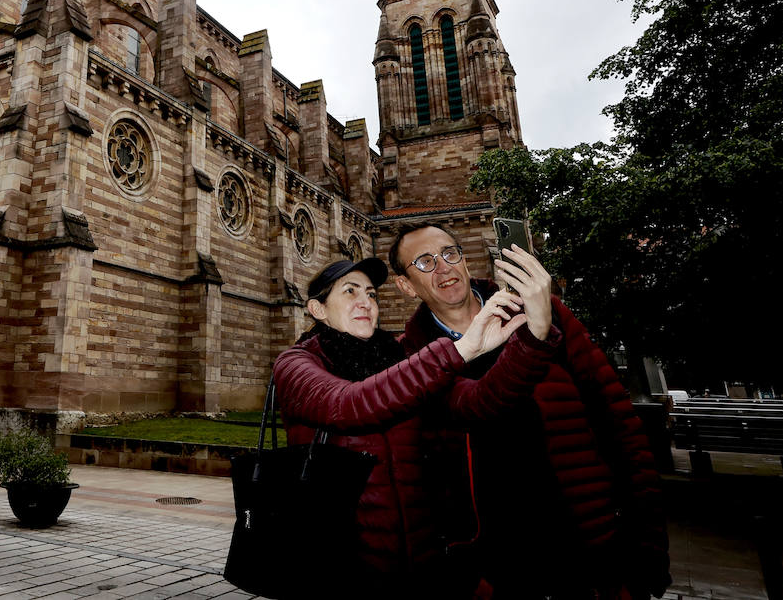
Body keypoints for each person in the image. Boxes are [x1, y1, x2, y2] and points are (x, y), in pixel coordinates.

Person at [391, 222, 670, 599]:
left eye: (449, 253)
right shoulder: (412, 358)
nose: (443, 267)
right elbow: (469, 413)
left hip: (588, 548)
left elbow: (619, 423)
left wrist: (649, 546)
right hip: (495, 568)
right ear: (405, 286)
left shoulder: (544, 310)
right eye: (424, 262)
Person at [273, 255, 561, 595]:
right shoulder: (295, 364)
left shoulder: (401, 360)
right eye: (350, 292)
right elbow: (348, 404)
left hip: (424, 558)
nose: (366, 302)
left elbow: (478, 401)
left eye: (371, 294)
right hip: (341, 563)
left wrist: (535, 335)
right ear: (318, 309)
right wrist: (463, 348)